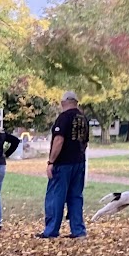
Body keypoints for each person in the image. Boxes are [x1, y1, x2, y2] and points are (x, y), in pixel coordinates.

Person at [38, 90, 91, 240]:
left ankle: (51, 230)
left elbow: (58, 140)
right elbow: (85, 142)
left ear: (64, 102)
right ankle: (78, 230)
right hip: (79, 162)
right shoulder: (83, 118)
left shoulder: (63, 118)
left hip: (63, 163)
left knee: (56, 196)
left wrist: (51, 161)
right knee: (75, 196)